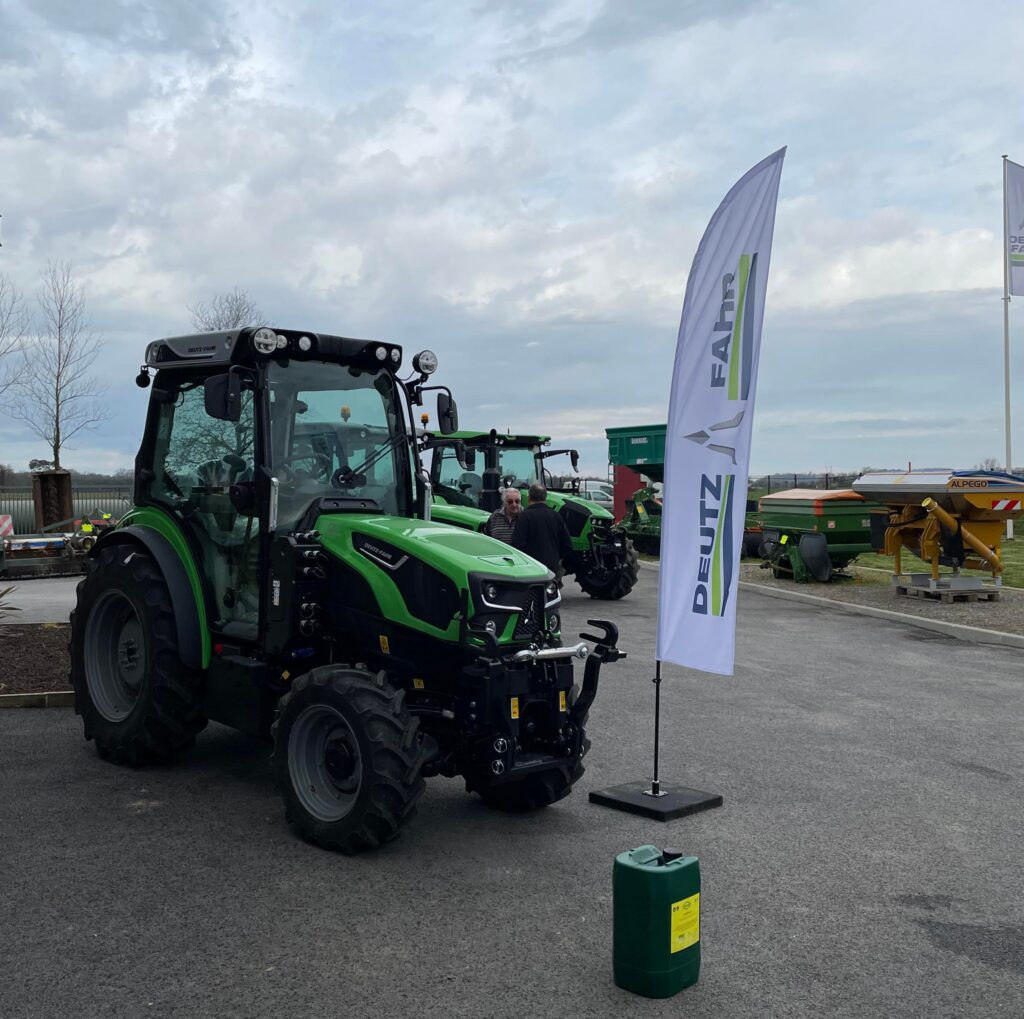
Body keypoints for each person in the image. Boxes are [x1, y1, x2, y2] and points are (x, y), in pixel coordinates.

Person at [512, 483, 572, 577]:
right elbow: (567, 545)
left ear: (529, 498)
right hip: (552, 569)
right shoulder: (556, 516)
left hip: (531, 569)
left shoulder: (524, 516)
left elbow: (517, 545)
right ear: (545, 498)